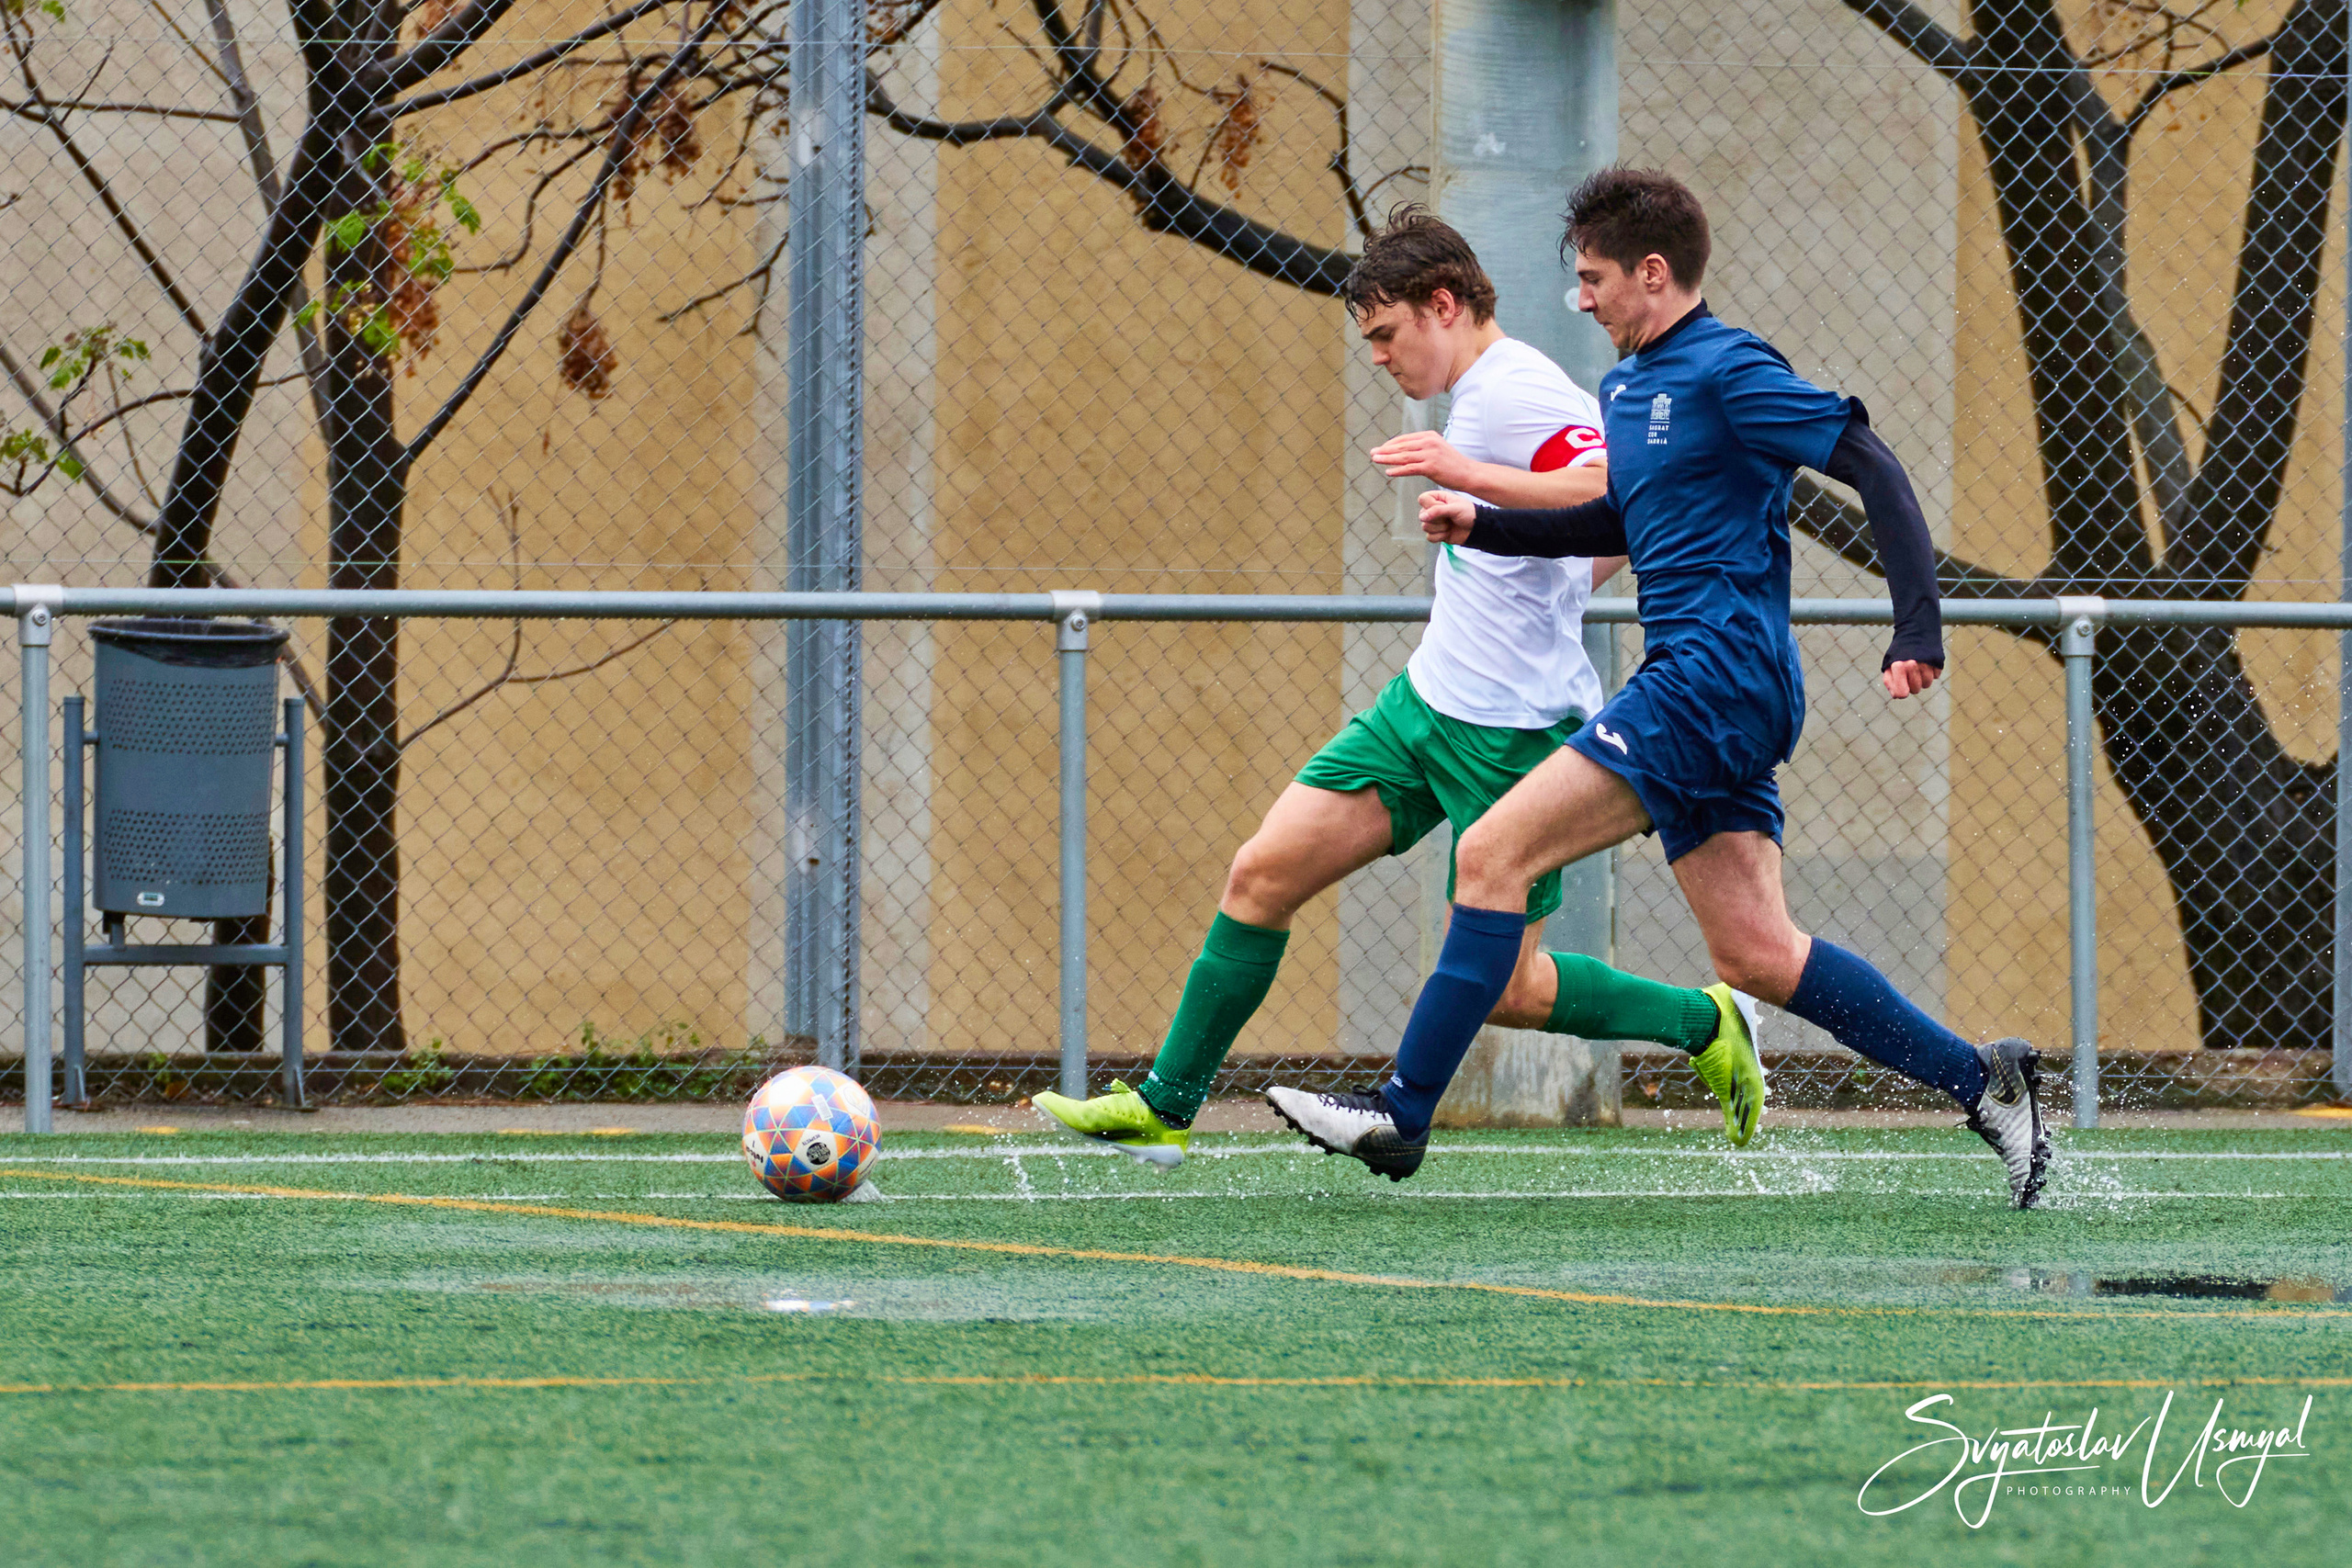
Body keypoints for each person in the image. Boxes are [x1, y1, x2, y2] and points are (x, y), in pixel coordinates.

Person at [1263, 170, 2052, 1209]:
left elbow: (1873, 466)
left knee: (1493, 852)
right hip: (1696, 683)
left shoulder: (1727, 370)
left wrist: (1918, 622)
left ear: (1651, 272)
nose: (1580, 299)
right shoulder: (1628, 390)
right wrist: (1485, 522)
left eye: (1593, 279)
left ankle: (1401, 1113)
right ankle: (1983, 1081)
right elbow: (1625, 527)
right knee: (1758, 953)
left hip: (1713, 681)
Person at [1034, 206, 1764, 1175]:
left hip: (1512, 735)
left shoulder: (1517, 389)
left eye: (1385, 335)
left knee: (1510, 988)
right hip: (1421, 708)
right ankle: (1166, 1105)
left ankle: (1701, 1021)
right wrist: (1551, 572)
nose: (1377, 359)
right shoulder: (1476, 394)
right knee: (1260, 876)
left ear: (1444, 304)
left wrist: (1492, 505)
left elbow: (1629, 495)